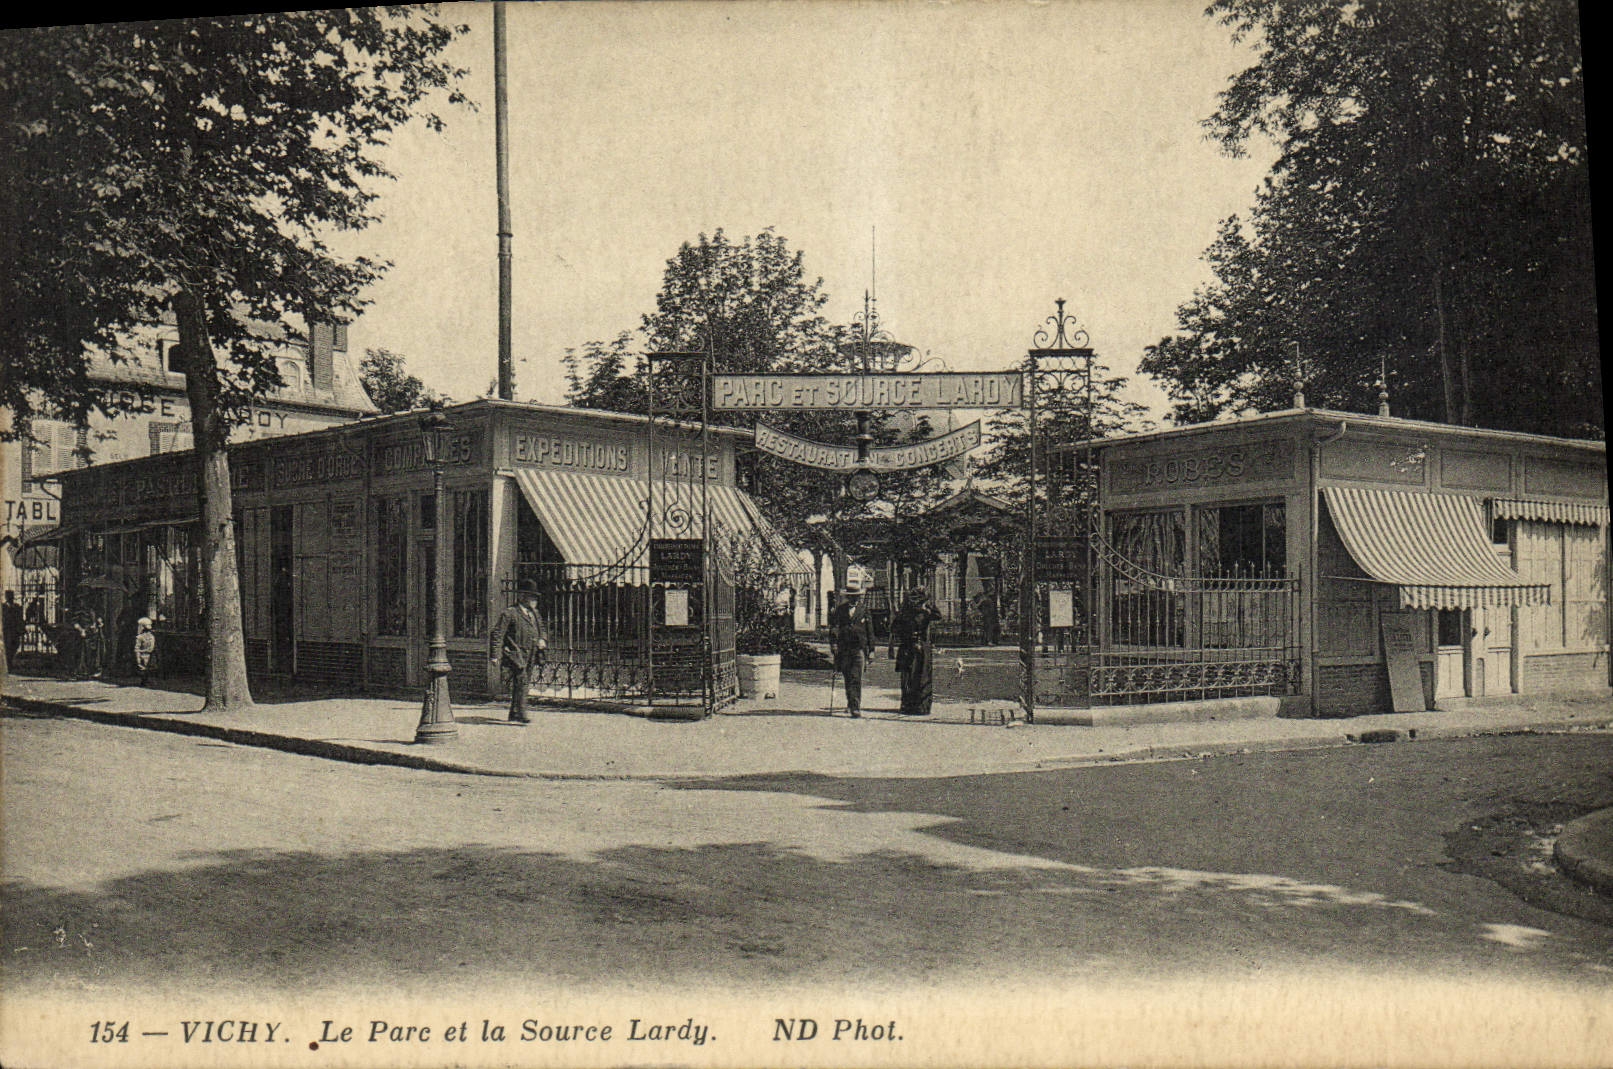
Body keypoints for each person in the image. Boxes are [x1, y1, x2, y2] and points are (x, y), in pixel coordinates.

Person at [489, 580, 549, 725]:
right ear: (522, 597)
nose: (535, 601)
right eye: (532, 597)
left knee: (522, 682)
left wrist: (542, 639)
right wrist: (494, 655)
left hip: (531, 654)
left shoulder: (534, 614)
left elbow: (542, 629)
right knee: (522, 681)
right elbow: (497, 634)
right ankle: (522, 713)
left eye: (535, 598)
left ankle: (514, 712)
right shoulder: (510, 613)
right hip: (515, 654)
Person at [889, 586, 943, 716]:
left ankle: (919, 706)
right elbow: (894, 628)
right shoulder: (906, 613)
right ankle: (911, 706)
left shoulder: (924, 612)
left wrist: (929, 607)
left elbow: (938, 616)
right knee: (910, 677)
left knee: (921, 677)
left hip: (919, 648)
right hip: (910, 647)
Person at [827, 571, 875, 717]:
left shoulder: (864, 610)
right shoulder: (841, 610)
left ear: (859, 596)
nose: (854, 598)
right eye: (851, 596)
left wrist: (872, 650)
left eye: (856, 596)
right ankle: (851, 702)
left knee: (856, 677)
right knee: (848, 677)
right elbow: (834, 627)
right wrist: (834, 644)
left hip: (859, 648)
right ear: (848, 597)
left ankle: (855, 707)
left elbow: (870, 631)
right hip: (844, 648)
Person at [133, 617, 156, 686]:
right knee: (147, 669)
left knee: (144, 669)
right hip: (149, 655)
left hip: (143, 655)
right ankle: (145, 680)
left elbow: (137, 648)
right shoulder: (152, 636)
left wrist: (138, 656)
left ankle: (145, 681)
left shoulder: (139, 637)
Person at [2, 591, 22, 668]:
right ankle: (8, 663)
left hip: (15, 631)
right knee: (7, 647)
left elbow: (19, 618)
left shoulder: (17, 607)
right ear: (6, 597)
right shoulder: (3, 607)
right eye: (8, 596)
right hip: (6, 631)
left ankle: (9, 661)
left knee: (15, 645)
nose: (10, 598)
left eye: (11, 596)